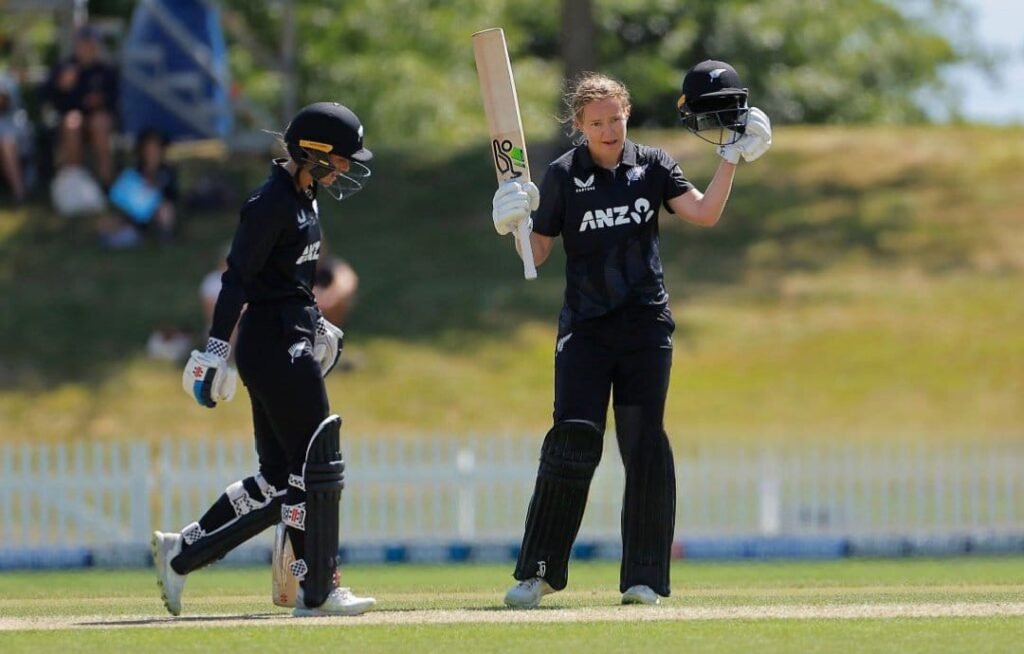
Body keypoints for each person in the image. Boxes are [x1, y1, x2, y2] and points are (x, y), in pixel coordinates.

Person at [492, 62, 772, 609]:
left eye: (616, 119)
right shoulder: (561, 175)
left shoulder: (652, 166)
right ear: (580, 125)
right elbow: (539, 254)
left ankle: (645, 579)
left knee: (644, 445)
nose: (610, 131)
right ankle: (540, 572)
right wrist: (514, 223)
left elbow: (704, 213)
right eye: (597, 123)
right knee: (573, 439)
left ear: (626, 116)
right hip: (586, 330)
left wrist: (729, 157)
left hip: (645, 326)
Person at [151, 102, 375, 618]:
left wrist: (316, 322)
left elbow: (289, 282)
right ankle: (320, 587)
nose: (344, 168)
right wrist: (213, 347)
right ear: (312, 154)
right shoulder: (269, 202)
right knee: (314, 465)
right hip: (272, 345)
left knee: (278, 479)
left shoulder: (306, 195)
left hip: (289, 335)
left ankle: (181, 553)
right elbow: (237, 279)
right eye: (339, 158)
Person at [42, 25, 118, 187]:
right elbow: (45, 95)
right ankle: (76, 182)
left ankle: (106, 182)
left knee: (99, 123)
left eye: (91, 44)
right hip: (72, 118)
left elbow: (115, 99)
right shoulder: (65, 67)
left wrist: (101, 100)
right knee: (72, 122)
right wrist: (60, 86)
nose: (88, 49)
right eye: (84, 44)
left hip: (99, 119)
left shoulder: (105, 70)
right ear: (77, 45)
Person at [101, 127, 179, 248]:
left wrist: (155, 190)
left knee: (166, 210)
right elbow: (120, 198)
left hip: (155, 214)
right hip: (131, 215)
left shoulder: (167, 173)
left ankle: (164, 237)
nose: (152, 153)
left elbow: (172, 196)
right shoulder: (132, 172)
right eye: (149, 149)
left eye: (156, 149)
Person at [0, 70, 31, 202]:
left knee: (6, 142)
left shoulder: (5, 80)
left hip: (12, 129)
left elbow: (4, 104)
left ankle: (19, 191)